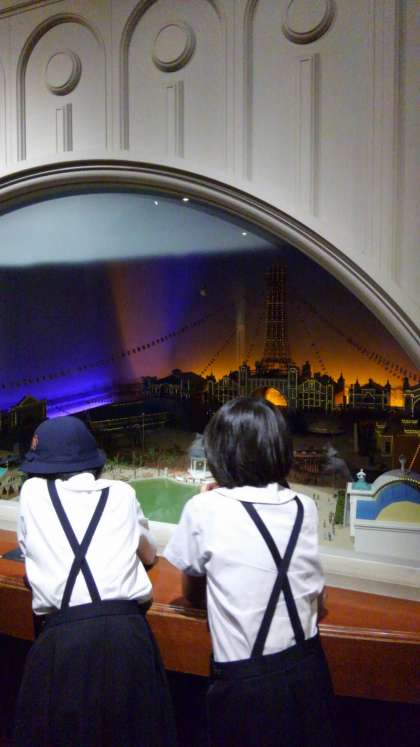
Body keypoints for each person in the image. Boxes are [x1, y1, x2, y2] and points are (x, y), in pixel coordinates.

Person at [164, 397, 336, 747]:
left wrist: (210, 499)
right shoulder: (303, 506)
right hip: (309, 671)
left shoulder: (204, 507)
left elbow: (193, 591)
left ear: (219, 451)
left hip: (246, 685)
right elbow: (314, 592)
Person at [14, 415, 176, 747]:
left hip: (62, 641)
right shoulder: (122, 493)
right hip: (128, 636)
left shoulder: (31, 493)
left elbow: (29, 556)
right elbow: (148, 554)